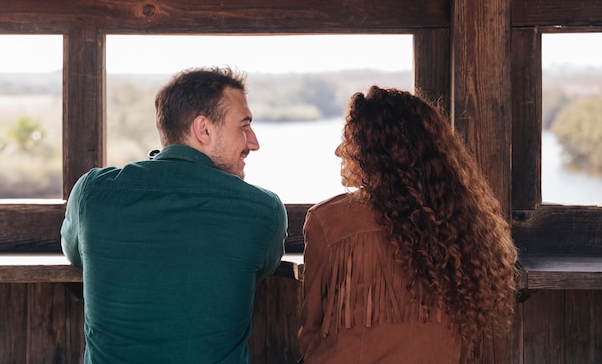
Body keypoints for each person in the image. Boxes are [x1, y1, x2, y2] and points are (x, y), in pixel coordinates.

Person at [61, 67, 288, 364]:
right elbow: (262, 266)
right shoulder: (263, 210)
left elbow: (75, 254)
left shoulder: (93, 193)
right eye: (244, 126)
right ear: (203, 129)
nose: (253, 142)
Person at [298, 86, 517, 364]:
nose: (339, 150)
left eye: (350, 140)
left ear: (377, 151)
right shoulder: (461, 223)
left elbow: (311, 330)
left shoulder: (327, 220)